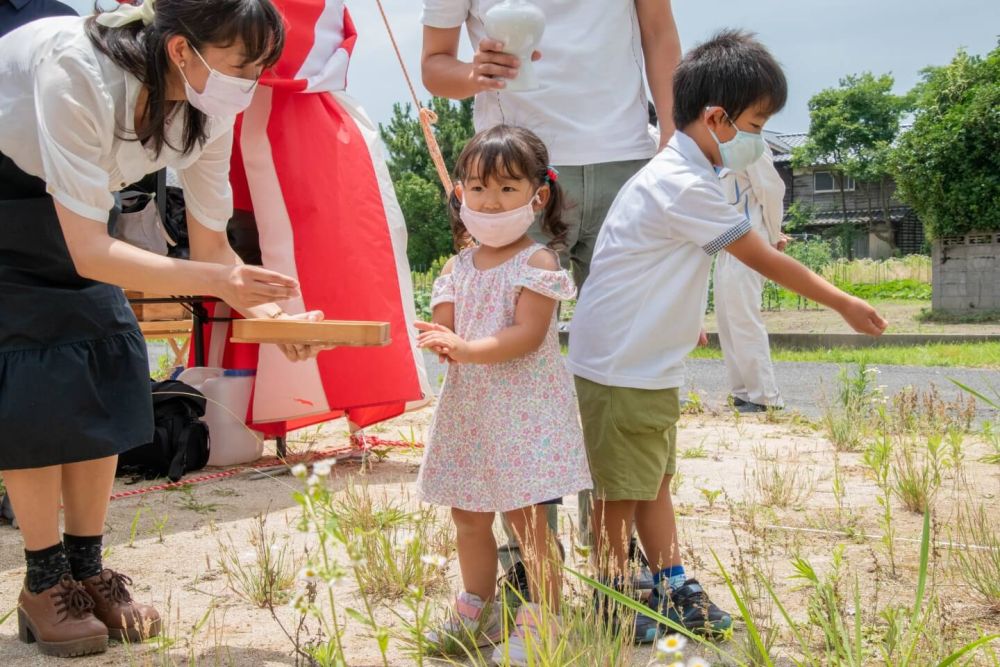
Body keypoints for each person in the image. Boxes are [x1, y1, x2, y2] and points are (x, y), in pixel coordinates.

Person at [0, 0, 327, 657]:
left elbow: (212, 250)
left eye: (264, 66)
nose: (254, 80)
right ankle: (42, 581)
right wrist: (224, 287)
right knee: (36, 371)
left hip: (73, 202)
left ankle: (86, 572)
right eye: (244, 64)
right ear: (183, 50)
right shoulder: (77, 70)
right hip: (8, 183)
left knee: (112, 353)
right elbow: (92, 251)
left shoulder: (211, 108)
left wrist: (272, 314)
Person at [567, 30, 887, 642]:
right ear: (716, 119)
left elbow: (649, 267)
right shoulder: (680, 184)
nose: (760, 138)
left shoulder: (686, 175)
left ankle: (669, 580)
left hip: (646, 362)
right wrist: (843, 300)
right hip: (622, 367)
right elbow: (761, 256)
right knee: (618, 493)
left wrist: (685, 323)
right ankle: (612, 594)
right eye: (757, 123)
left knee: (653, 479)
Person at [420, 0, 681, 590]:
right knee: (510, 369)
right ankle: (528, 560)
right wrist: (473, 73)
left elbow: (659, 31)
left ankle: (624, 552)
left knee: (624, 369)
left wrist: (671, 140)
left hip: (628, 159)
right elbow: (436, 66)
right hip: (513, 169)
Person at [193, 0, 432, 442]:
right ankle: (232, 404)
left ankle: (301, 393)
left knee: (321, 254)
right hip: (223, 98)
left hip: (294, 106)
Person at [414, 125, 592, 665]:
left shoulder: (538, 263)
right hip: (470, 413)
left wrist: (463, 347)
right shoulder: (455, 265)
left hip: (524, 415)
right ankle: (479, 605)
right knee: (467, 515)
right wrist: (439, 340)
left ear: (537, 197)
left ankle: (544, 618)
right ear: (461, 194)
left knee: (527, 521)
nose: (491, 202)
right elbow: (444, 326)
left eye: (507, 190)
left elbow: (526, 335)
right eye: (478, 188)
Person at [713, 146, 789, 412]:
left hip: (750, 244)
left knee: (745, 320)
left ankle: (765, 398)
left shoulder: (751, 146)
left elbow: (771, 192)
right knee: (727, 321)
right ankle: (743, 392)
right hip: (725, 247)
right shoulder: (714, 147)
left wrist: (772, 235)